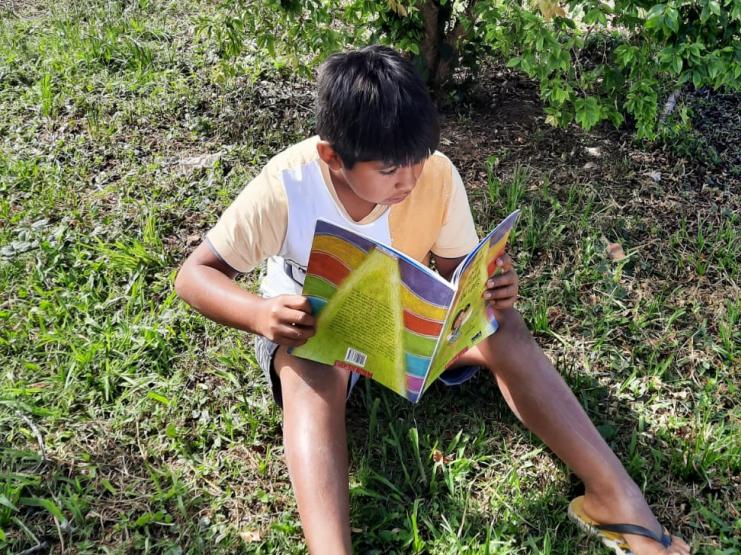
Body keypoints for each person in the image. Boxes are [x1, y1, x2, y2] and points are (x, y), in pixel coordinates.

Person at [175, 45, 690, 555]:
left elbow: (455, 275)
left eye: (418, 161)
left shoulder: (434, 174)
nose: (409, 180)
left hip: (406, 326)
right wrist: (261, 314)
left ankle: (616, 499)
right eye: (391, 169)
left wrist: (489, 289)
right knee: (311, 374)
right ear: (332, 155)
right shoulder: (287, 184)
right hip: (315, 328)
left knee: (501, 326)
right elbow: (195, 276)